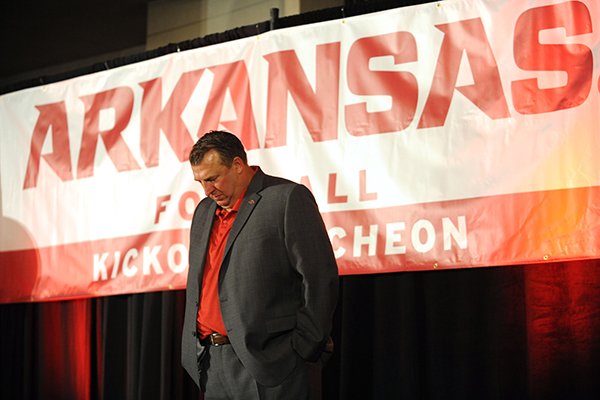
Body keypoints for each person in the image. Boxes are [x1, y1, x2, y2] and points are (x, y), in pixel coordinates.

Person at [181, 130, 339, 399]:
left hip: (271, 363)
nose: (207, 190)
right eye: (200, 181)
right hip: (210, 363)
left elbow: (319, 277)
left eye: (213, 178)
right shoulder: (204, 211)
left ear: (238, 165)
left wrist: (303, 347)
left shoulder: (285, 198)